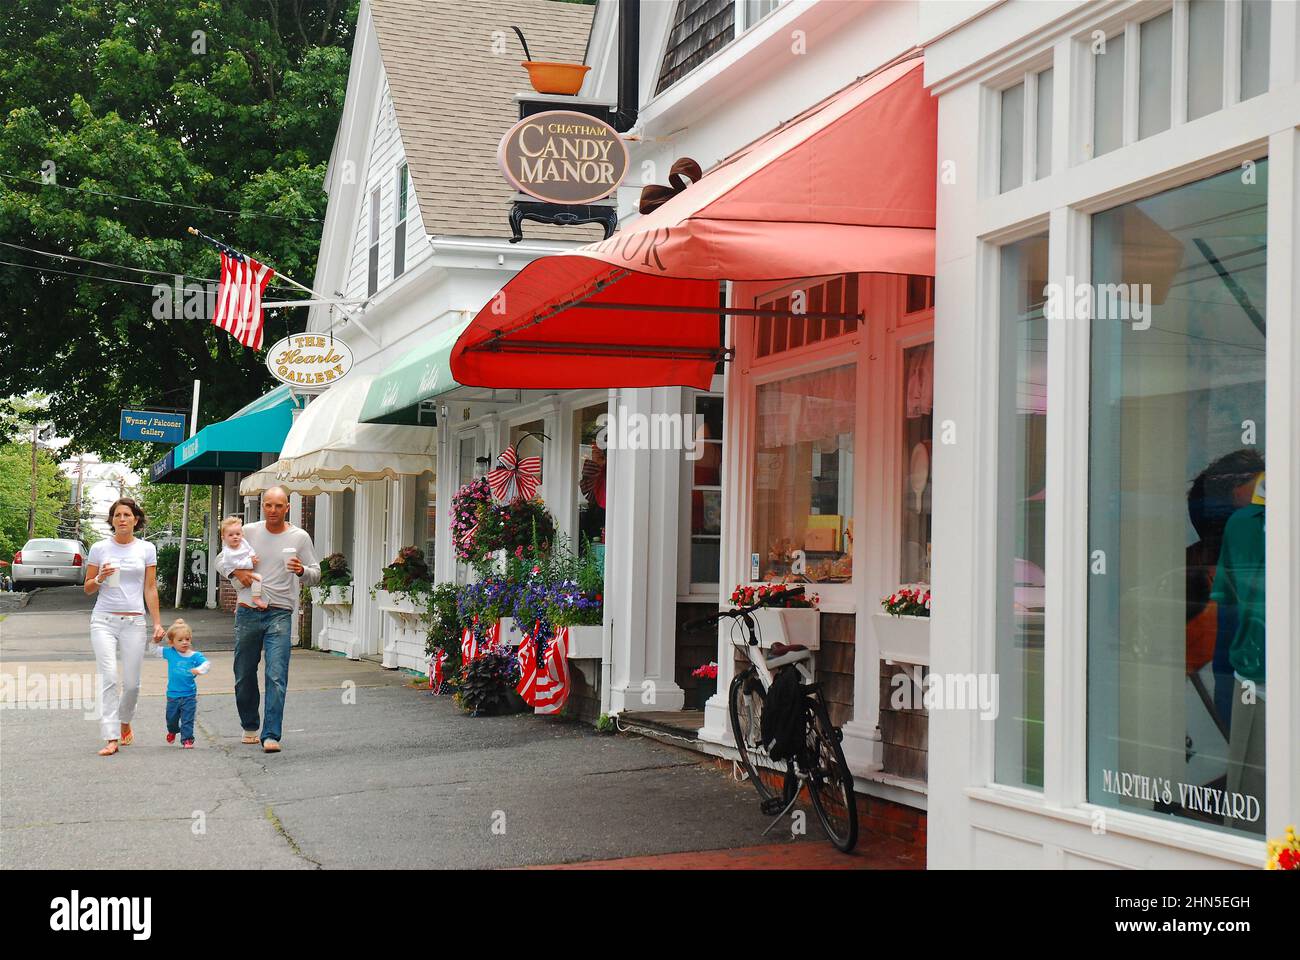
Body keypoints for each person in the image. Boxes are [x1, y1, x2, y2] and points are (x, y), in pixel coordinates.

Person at [217, 486, 319, 753]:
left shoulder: (299, 537)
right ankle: (250, 724)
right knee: (243, 674)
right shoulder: (248, 531)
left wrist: (301, 570)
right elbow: (221, 559)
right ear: (263, 506)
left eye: (278, 506)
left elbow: (316, 574)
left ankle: (271, 734)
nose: (273, 510)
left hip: (280, 612)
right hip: (248, 610)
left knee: (276, 675)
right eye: (268, 505)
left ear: (287, 508)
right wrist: (237, 574)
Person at [83, 498, 166, 756]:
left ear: (136, 519)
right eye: (117, 515)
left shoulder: (147, 549)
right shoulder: (99, 548)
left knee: (131, 684)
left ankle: (125, 720)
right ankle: (111, 737)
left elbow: (150, 588)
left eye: (126, 515)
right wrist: (100, 578)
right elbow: (87, 588)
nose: (122, 519)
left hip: (134, 621)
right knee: (108, 677)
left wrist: (157, 623)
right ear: (112, 520)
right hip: (104, 620)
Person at [155, 618, 210, 748]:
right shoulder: (170, 653)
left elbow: (207, 664)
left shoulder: (195, 656)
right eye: (180, 640)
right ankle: (173, 731)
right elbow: (153, 651)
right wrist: (155, 641)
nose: (184, 642)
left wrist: (199, 670)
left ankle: (187, 739)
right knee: (171, 720)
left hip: (189, 695)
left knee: (187, 720)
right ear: (172, 642)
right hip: (173, 695)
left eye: (187, 639)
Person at [217, 516, 267, 609]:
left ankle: (238, 606)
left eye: (237, 534)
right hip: (237, 577)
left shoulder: (242, 543)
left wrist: (252, 555)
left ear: (242, 534)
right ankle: (256, 598)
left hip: (246, 569)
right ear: (223, 538)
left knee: (241, 592)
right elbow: (235, 565)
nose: (235, 537)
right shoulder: (228, 552)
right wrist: (250, 562)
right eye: (231, 535)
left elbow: (249, 549)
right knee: (257, 579)